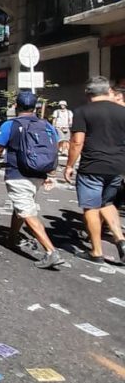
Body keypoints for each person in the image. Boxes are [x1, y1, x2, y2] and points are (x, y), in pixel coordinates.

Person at [0, 91, 64, 269]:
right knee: (22, 205)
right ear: (35, 107)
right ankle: (12, 238)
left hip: (17, 174)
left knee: (26, 210)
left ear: (16, 106)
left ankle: (51, 251)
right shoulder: (46, 125)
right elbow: (55, 145)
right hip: (39, 173)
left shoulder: (10, 125)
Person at [63, 77, 125, 264]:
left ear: (88, 93)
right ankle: (121, 240)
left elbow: (77, 142)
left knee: (91, 206)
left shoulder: (83, 111)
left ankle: (96, 251)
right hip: (117, 166)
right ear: (108, 91)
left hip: (92, 166)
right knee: (107, 202)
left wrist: (69, 166)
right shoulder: (122, 111)